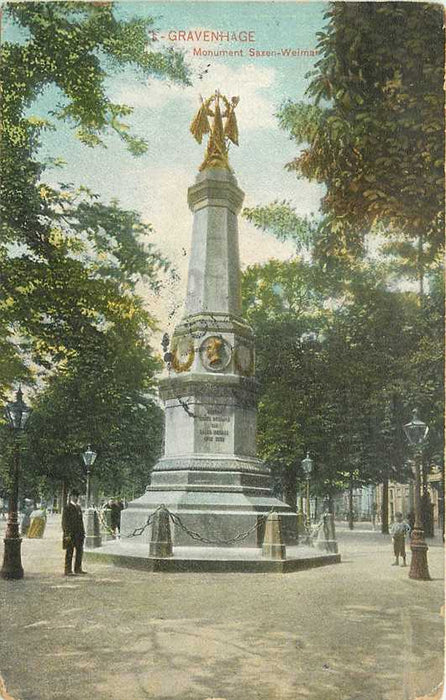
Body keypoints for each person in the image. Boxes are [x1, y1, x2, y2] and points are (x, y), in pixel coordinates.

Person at [62, 490, 87, 576]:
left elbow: (81, 522)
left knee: (79, 552)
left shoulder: (78, 508)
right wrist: (67, 534)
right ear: (71, 497)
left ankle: (78, 568)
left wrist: (83, 533)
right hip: (71, 534)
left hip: (79, 534)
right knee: (70, 552)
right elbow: (65, 522)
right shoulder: (67, 508)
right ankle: (68, 570)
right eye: (74, 496)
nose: (76, 498)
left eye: (77, 496)